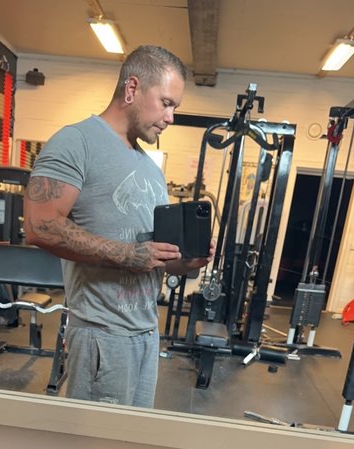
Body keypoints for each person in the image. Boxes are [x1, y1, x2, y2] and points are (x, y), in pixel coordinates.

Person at [24, 45, 214, 408]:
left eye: (175, 107)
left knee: (129, 435)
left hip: (146, 332)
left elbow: (153, 258)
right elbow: (39, 225)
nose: (171, 117)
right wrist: (127, 254)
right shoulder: (76, 141)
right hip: (102, 334)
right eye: (166, 103)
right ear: (132, 88)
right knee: (95, 436)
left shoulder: (150, 169)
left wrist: (187, 262)